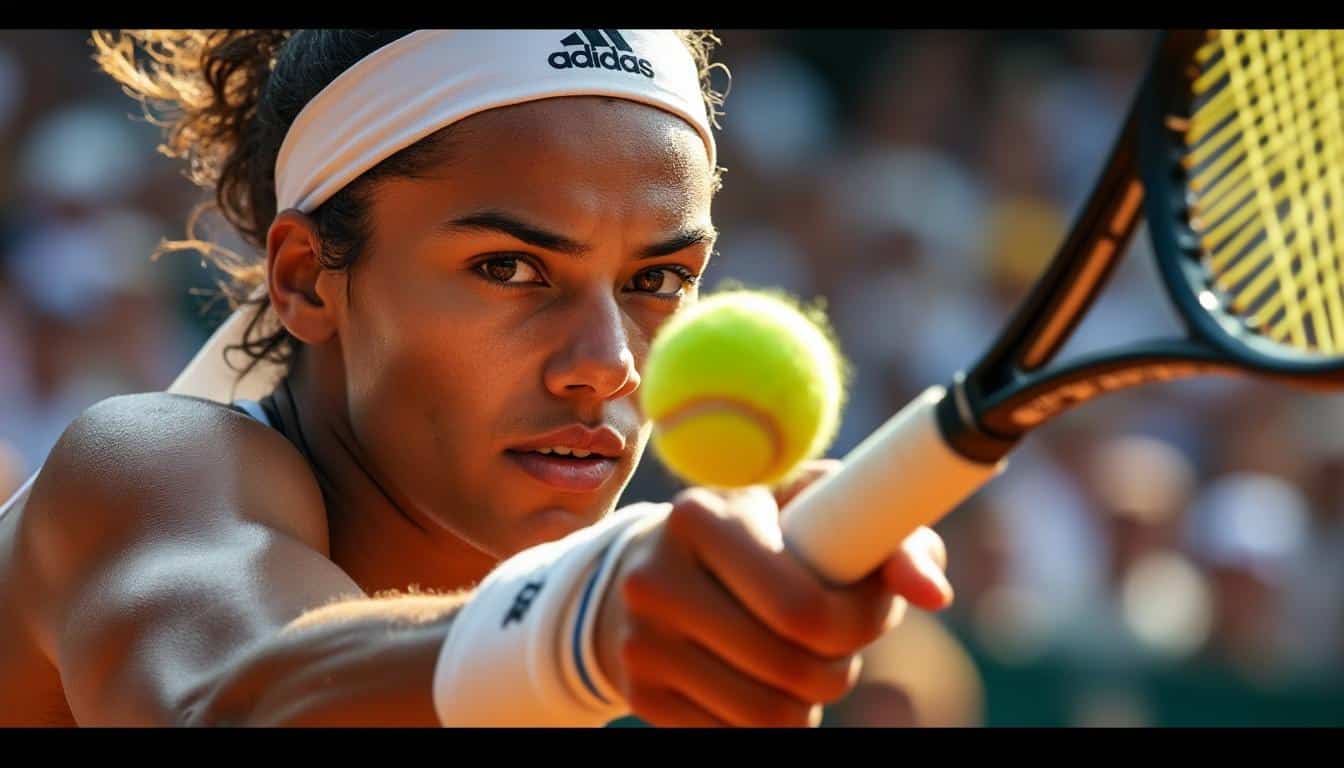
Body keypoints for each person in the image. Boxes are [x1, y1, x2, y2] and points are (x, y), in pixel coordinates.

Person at [0, 29, 953, 727]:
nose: (608, 364)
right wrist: (584, 620)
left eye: (657, 281)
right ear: (305, 278)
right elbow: (224, 703)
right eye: (510, 267)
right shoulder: (141, 469)